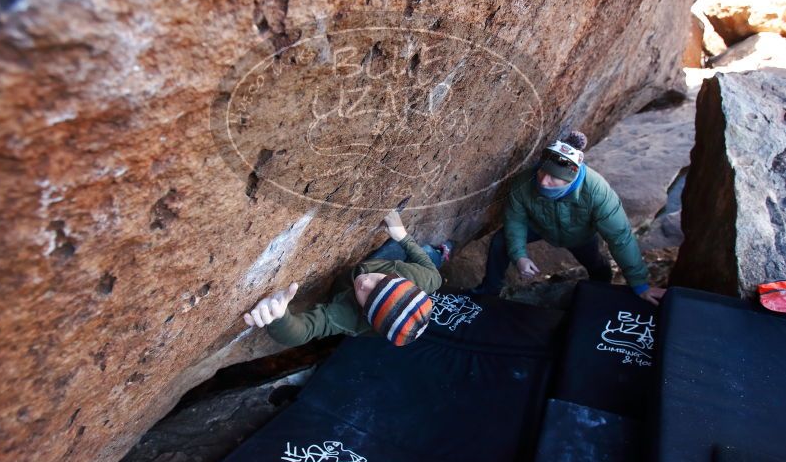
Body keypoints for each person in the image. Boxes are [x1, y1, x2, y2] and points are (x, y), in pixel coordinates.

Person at [472, 130, 666, 306]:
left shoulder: (597, 192)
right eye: (542, 171)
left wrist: (641, 285)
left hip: (579, 234)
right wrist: (520, 255)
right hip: (540, 225)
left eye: (553, 177)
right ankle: (489, 292)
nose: (543, 180)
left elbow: (620, 237)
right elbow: (515, 221)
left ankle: (598, 293)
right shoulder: (524, 182)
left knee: (597, 266)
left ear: (571, 179)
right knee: (501, 240)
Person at [243, 211, 451, 346]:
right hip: (385, 265)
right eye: (380, 282)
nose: (365, 283)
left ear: (366, 314)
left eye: (369, 299)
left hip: (343, 289)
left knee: (349, 287)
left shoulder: (350, 316)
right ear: (400, 278)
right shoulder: (422, 278)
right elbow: (432, 271)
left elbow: (302, 332)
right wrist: (403, 237)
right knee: (429, 254)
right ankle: (442, 250)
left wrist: (279, 318)